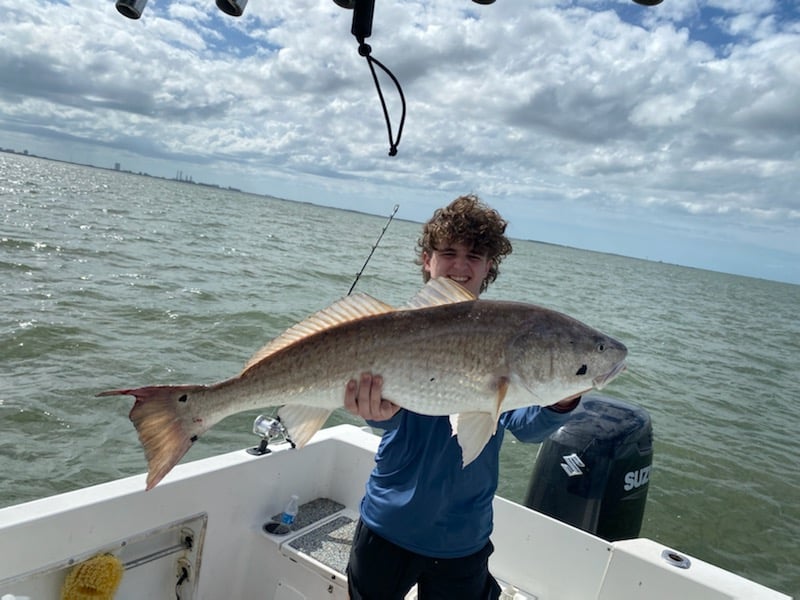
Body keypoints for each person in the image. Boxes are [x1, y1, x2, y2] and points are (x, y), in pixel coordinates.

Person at [343, 194, 581, 600]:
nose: (459, 264)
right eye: (448, 252)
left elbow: (523, 425)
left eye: (474, 255)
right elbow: (389, 419)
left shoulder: (504, 337)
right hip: (388, 522)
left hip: (463, 535)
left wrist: (561, 400)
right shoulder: (387, 330)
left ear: (490, 267)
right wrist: (374, 412)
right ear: (427, 260)